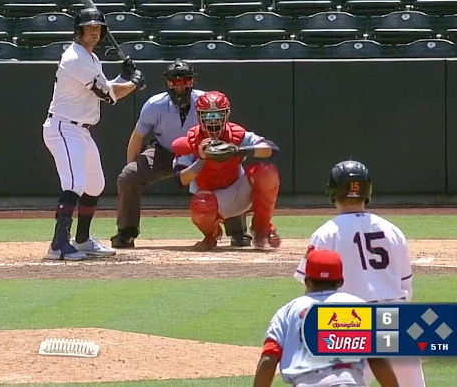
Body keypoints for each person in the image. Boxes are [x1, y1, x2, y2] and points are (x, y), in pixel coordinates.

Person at [293, 160, 425, 387]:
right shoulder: (393, 231)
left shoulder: (326, 234)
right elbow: (406, 287)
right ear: (367, 191)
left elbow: (311, 292)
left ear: (332, 191)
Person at [109, 59, 250, 249]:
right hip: (163, 152)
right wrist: (131, 168)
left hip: (199, 153)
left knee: (228, 172)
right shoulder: (155, 105)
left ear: (192, 81)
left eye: (185, 80)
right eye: (175, 81)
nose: (180, 85)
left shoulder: (207, 102)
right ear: (167, 83)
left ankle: (238, 232)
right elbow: (137, 137)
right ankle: (126, 232)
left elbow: (224, 130)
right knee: (128, 176)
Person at [42, 7, 145, 261]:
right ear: (78, 31)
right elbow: (108, 95)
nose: (94, 32)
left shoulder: (90, 58)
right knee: (74, 184)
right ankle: (58, 244)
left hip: (81, 130)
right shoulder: (76, 57)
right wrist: (133, 83)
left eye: (97, 28)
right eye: (89, 28)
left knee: (95, 184)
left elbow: (105, 85)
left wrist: (123, 75)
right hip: (64, 127)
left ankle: (82, 240)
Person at [254, 249, 399, 387]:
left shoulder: (287, 311)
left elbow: (268, 360)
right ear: (340, 281)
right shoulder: (359, 307)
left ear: (306, 281)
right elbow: (377, 359)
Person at [171, 91, 282, 251]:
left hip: (239, 191)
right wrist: (202, 159)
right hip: (210, 197)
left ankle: (262, 227)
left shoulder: (237, 133)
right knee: (201, 204)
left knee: (267, 172)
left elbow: (272, 149)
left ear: (226, 115)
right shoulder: (191, 139)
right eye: (208, 116)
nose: (213, 121)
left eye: (217, 115)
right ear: (199, 116)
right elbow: (180, 179)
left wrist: (239, 150)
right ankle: (212, 235)